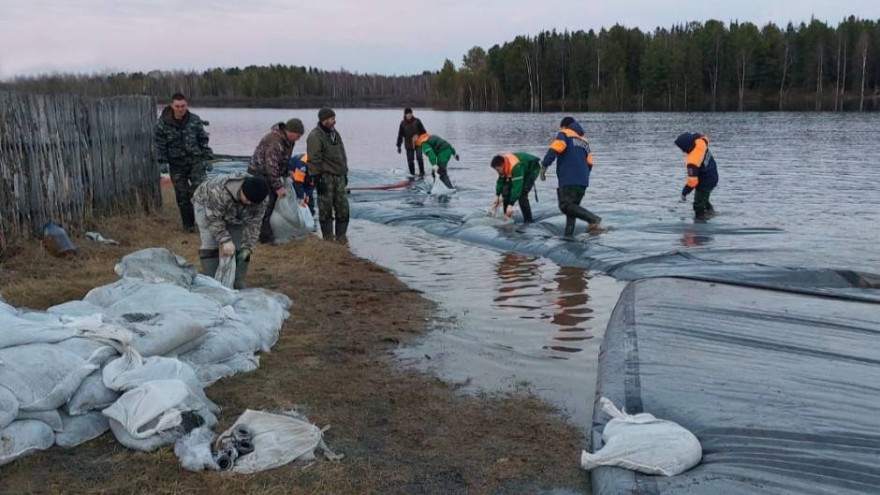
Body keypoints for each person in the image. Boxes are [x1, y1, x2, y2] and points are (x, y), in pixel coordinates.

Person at [193, 174, 270, 290]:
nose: (250, 204)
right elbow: (213, 219)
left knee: (239, 245)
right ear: (242, 190)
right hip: (205, 204)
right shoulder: (219, 191)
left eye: (253, 203)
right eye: (248, 200)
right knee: (210, 242)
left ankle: (237, 281)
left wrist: (248, 246)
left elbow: (254, 223)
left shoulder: (260, 200)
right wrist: (224, 240)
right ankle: (212, 281)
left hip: (236, 211)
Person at [155, 93, 213, 232]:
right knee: (182, 195)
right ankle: (188, 226)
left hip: (195, 161)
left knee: (200, 192)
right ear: (171, 106)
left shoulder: (194, 120)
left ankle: (204, 224)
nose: (180, 109)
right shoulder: (163, 123)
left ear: (187, 105)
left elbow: (203, 140)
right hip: (176, 164)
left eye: (183, 106)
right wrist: (162, 161)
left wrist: (207, 158)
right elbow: (160, 144)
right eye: (177, 106)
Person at [540, 116, 602, 238]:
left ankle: (593, 219)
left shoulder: (564, 134)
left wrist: (544, 165)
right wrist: (583, 176)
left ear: (564, 126)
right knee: (571, 212)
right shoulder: (584, 140)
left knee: (564, 205)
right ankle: (568, 237)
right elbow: (590, 163)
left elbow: (555, 149)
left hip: (569, 179)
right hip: (582, 181)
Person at [248, 118, 304, 243]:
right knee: (265, 205)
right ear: (290, 132)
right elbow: (271, 166)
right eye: (298, 135)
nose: (298, 139)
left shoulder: (289, 141)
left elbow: (283, 159)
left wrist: (287, 171)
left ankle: (268, 233)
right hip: (260, 172)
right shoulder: (275, 142)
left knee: (272, 204)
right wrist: (278, 187)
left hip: (270, 173)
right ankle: (263, 238)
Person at [306, 108, 349, 243]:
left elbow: (342, 153)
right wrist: (317, 178)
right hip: (325, 177)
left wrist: (345, 172)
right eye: (331, 118)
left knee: (343, 209)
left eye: (334, 118)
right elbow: (313, 158)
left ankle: (341, 238)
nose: (334, 121)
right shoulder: (315, 136)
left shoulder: (335, 134)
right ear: (324, 120)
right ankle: (328, 241)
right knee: (325, 210)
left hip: (339, 176)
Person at [675, 132, 719, 220]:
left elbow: (692, 182)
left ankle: (700, 223)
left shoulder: (693, 161)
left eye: (681, 148)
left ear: (685, 148)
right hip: (713, 175)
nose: (681, 150)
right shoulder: (701, 142)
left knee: (698, 204)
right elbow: (702, 136)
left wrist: (684, 192)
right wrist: (693, 136)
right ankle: (712, 213)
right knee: (704, 198)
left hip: (705, 182)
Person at [490, 153, 541, 223]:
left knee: (522, 195)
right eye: (496, 170)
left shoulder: (515, 166)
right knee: (505, 191)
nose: (497, 172)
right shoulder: (503, 166)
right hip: (520, 169)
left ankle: (528, 220)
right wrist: (497, 195)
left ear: (502, 165)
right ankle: (507, 216)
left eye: (498, 170)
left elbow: (517, 188)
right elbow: (501, 181)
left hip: (531, 170)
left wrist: (511, 204)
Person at [396, 108, 427, 177]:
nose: (409, 115)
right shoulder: (402, 124)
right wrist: (399, 146)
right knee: (410, 160)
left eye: (410, 113)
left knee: (419, 157)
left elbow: (424, 132)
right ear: (405, 115)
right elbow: (400, 135)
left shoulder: (417, 121)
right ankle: (412, 174)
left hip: (418, 143)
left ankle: (422, 173)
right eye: (408, 113)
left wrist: (420, 137)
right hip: (408, 144)